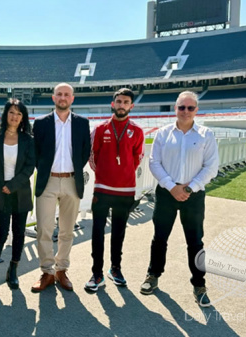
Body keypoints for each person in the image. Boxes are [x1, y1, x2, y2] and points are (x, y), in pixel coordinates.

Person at [141, 91, 219, 307]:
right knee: (159, 238)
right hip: (167, 193)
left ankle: (199, 284)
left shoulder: (206, 134)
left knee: (195, 242)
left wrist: (190, 188)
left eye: (190, 108)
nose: (186, 111)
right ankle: (153, 275)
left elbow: (211, 167)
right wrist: (172, 187)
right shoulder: (163, 133)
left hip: (194, 196)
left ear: (196, 110)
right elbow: (154, 162)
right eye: (181, 107)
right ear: (175, 109)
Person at [31, 83, 91, 292]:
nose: (63, 97)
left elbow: (84, 152)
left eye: (67, 94)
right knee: (44, 230)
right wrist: (47, 171)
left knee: (67, 231)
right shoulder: (40, 123)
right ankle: (47, 271)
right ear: (53, 97)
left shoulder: (82, 123)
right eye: (59, 94)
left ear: (72, 98)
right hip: (47, 181)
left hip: (71, 181)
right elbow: (36, 152)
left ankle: (61, 270)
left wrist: (70, 171)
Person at [85, 88, 144, 292]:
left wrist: (124, 173)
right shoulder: (101, 128)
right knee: (98, 232)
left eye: (126, 102)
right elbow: (93, 155)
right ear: (113, 104)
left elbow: (138, 157)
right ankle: (97, 273)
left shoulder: (137, 131)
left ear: (131, 106)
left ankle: (115, 269)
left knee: (118, 232)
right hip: (102, 189)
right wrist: (103, 174)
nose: (121, 105)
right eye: (118, 101)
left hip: (125, 190)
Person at [0, 99, 35, 292]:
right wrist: (1, 187)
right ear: (6, 114)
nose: (14, 117)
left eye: (19, 113)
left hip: (20, 193)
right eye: (11, 112)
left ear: (23, 117)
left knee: (19, 233)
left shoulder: (28, 140)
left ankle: (13, 271)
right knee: (1, 232)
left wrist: (12, 185)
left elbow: (29, 167)